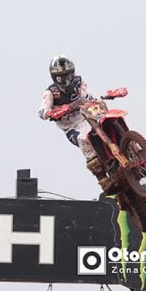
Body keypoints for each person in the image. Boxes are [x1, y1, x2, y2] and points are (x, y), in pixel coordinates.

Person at [38, 56, 113, 191]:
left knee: (109, 120)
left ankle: (136, 149)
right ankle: (102, 178)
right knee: (83, 139)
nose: (67, 80)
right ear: (55, 78)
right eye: (62, 78)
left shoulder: (79, 81)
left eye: (69, 75)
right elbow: (42, 111)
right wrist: (50, 113)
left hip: (88, 115)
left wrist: (90, 97)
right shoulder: (50, 93)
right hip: (72, 127)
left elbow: (87, 96)